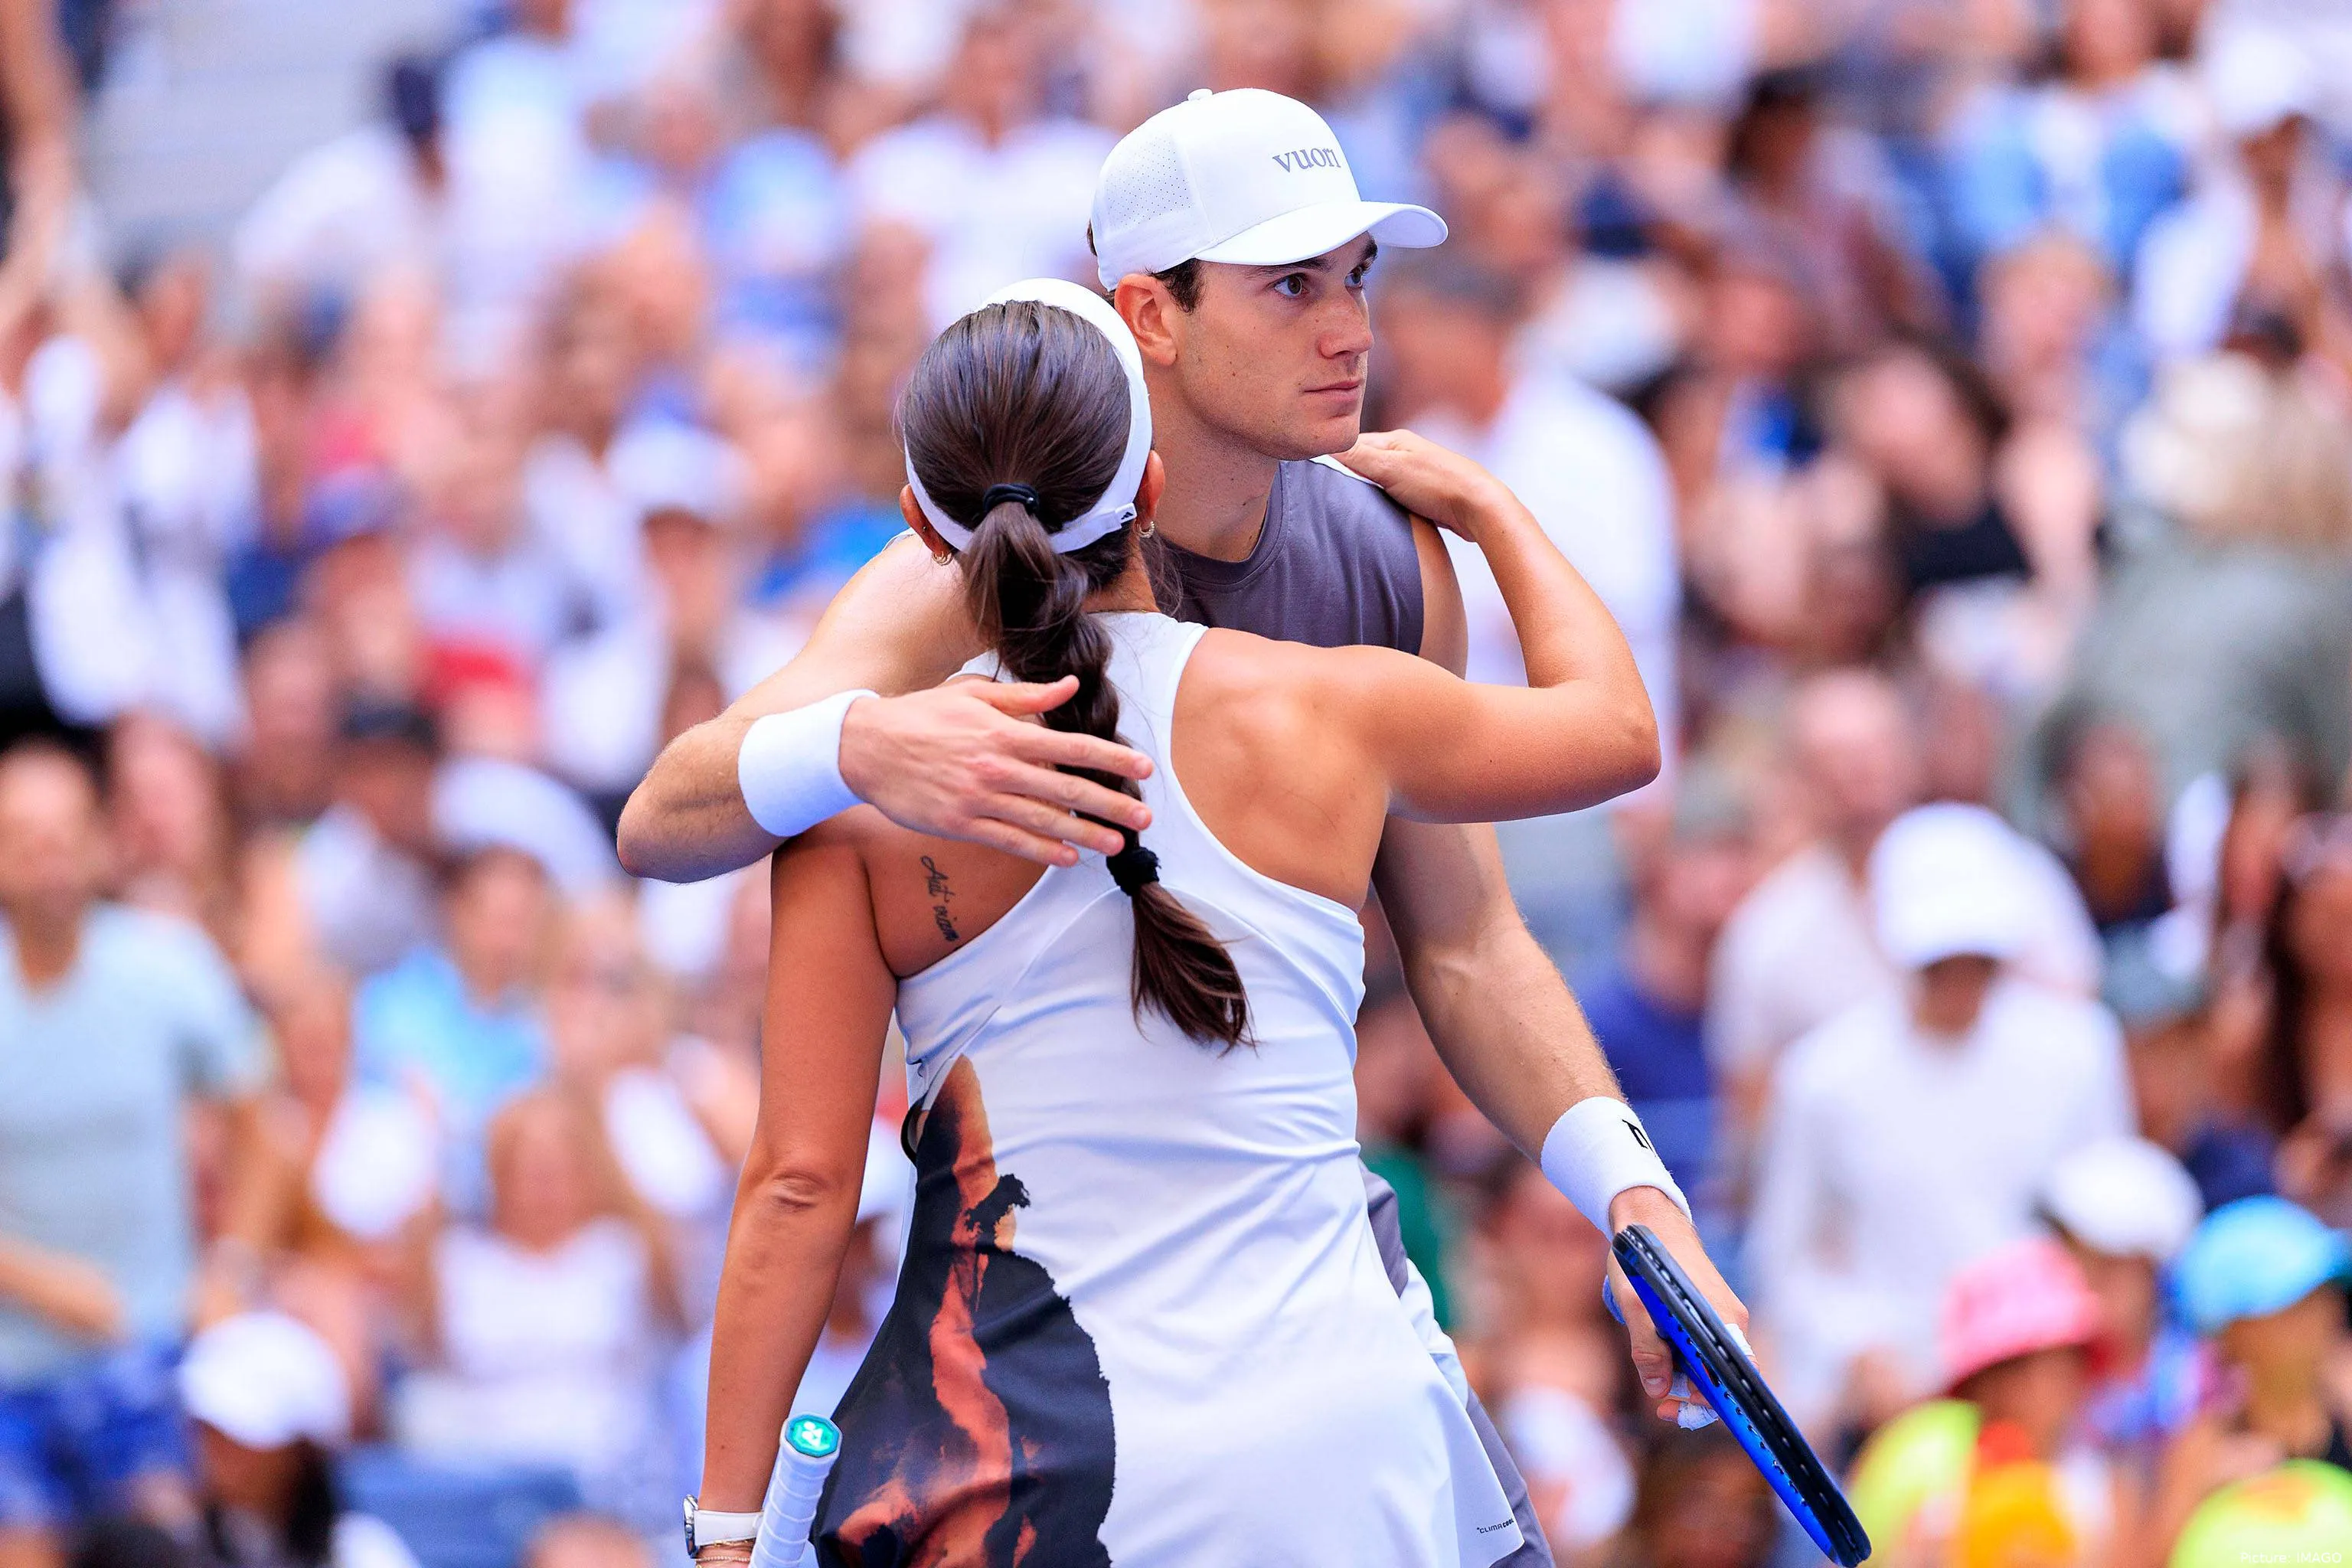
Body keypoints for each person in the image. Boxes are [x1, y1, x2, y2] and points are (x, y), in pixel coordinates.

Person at [623, 90, 1743, 1561]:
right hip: (1226, 1394)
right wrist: (858, 739)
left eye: (1356, 278)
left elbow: (1468, 944)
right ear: (1149, 313)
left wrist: (1632, 1191)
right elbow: (664, 817)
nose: (1348, 330)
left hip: (1166, 1374)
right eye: (1291, 286)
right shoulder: (943, 582)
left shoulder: (1387, 555)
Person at [1747, 802, 2133, 1432]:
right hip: (1903, 1401)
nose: (1960, 983)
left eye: (1978, 959)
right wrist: (1860, 1347)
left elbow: (2110, 1228)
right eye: (1939, 963)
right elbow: (1786, 1260)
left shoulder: (2079, 1050)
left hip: (2051, 1392)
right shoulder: (1822, 1077)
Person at [0, 742, 270, 1567]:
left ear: (101, 842)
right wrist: (36, 1278)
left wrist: (231, 1265)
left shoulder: (167, 967)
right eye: (23, 837)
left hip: (147, 1354)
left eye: (64, 834)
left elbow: (263, 1120)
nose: (48, 859)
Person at [2149, 1197, 2352, 1552]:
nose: (2324, 1315)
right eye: (2295, 1305)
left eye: (2325, 1296)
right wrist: (2200, 1502)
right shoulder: (2201, 1448)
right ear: (2233, 1333)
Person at [175, 1312, 420, 1568]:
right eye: (207, 1430)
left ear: (301, 1452)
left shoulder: (360, 1555)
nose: (216, 1451)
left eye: (236, 1436)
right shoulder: (180, 1542)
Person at [2038, 1136, 2210, 1470]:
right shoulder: (2050, 1380)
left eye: (2104, 1267)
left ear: (2151, 1269)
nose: (2083, 1286)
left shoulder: (2198, 1382)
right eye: (2071, 1261)